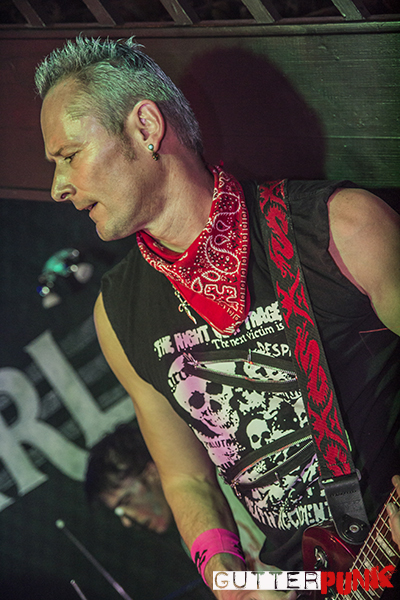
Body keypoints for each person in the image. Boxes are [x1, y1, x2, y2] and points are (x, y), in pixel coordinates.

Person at [35, 36, 400, 600]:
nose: (58, 187)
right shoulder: (118, 313)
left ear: (146, 127)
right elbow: (186, 478)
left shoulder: (341, 227)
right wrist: (225, 576)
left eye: (69, 155)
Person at [85, 423, 266, 570]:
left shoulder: (231, 487)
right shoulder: (192, 539)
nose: (126, 521)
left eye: (126, 501)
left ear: (152, 473)